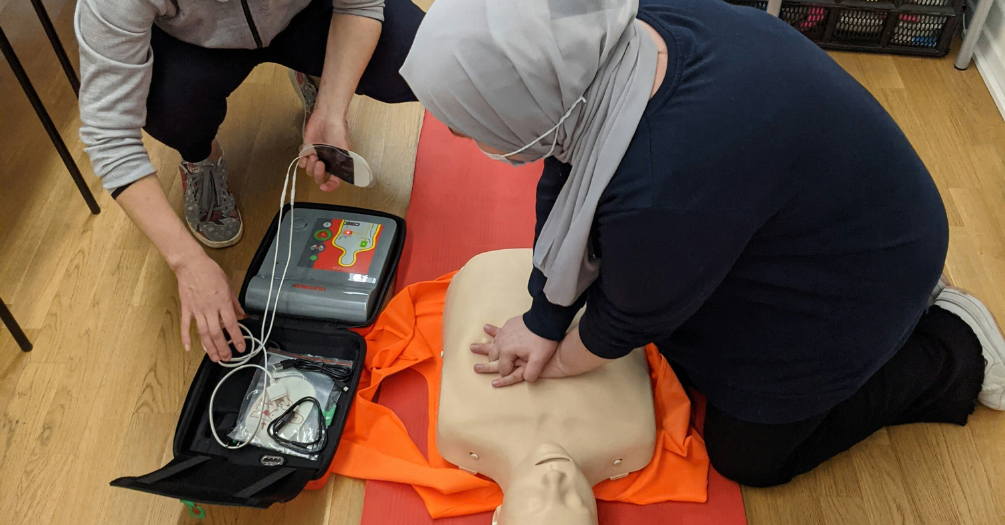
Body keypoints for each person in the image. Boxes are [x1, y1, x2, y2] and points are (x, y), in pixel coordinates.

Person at [400, 0, 1005, 487]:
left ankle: (954, 348)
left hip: (869, 262)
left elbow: (622, 321)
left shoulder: (661, 186)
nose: (458, 133)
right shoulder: (615, 40)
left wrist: (558, 357)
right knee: (671, 329)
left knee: (749, 456)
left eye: (467, 120)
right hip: (842, 203)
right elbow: (567, 176)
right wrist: (543, 314)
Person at [74, 0, 423, 362]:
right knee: (164, 106)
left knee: (416, 57)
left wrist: (331, 110)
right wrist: (187, 262)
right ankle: (199, 155)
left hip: (306, 14)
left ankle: (320, 75)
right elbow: (109, 133)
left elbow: (360, 4)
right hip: (194, 46)